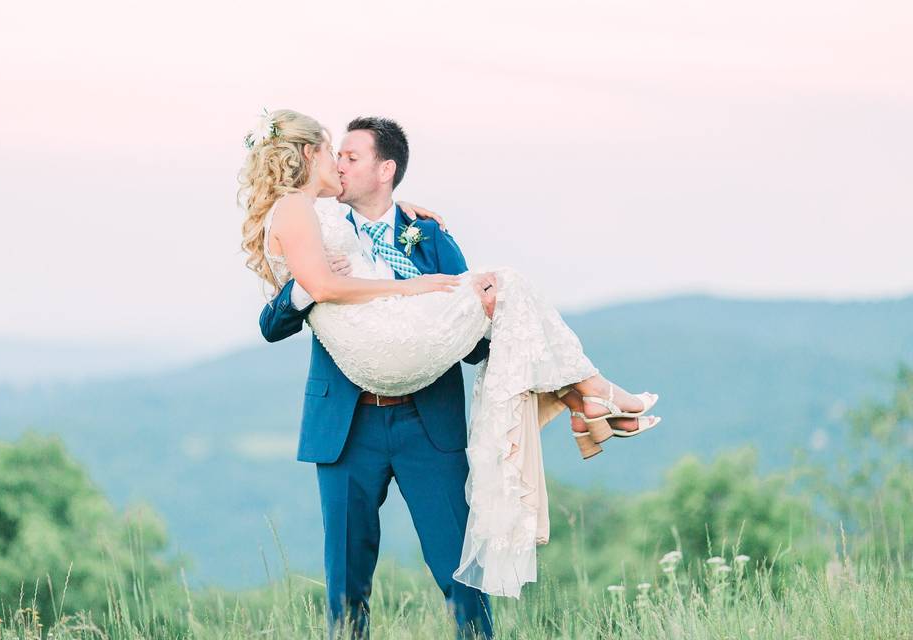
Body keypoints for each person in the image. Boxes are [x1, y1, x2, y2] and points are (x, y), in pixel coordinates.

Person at [242, 110, 661, 635]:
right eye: (337, 156)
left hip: (426, 424)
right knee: (346, 585)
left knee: (460, 576)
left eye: (352, 158)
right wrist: (309, 286)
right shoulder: (316, 221)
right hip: (346, 428)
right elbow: (271, 323)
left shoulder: (430, 233)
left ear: (385, 170)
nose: (340, 167)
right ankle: (587, 397)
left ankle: (583, 395)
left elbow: (466, 342)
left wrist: (482, 318)